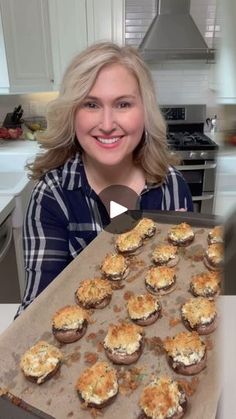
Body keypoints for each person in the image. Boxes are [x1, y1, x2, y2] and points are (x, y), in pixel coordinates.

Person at [17, 41, 193, 315]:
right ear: (72, 113)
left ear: (144, 112)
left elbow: (184, 294)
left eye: (123, 104)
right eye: (91, 104)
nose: (108, 124)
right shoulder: (53, 196)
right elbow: (37, 311)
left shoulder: (172, 188)